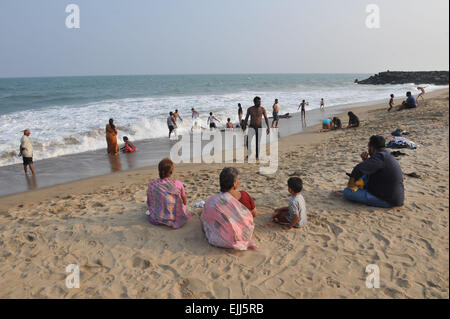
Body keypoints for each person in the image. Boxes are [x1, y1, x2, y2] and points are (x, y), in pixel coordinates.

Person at [339, 135, 404, 208]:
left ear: (372, 148)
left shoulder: (380, 157)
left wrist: (350, 185)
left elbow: (358, 168)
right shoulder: (386, 154)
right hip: (395, 197)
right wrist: (366, 161)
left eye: (369, 147)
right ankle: (356, 188)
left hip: (388, 200)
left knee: (347, 192)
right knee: (365, 176)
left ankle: (353, 189)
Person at [200, 167, 256, 250]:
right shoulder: (244, 195)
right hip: (244, 234)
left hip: (221, 236)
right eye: (237, 180)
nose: (238, 182)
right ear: (234, 184)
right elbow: (254, 214)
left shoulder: (212, 201)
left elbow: (206, 218)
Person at [146, 158, 191, 229]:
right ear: (172, 171)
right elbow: (184, 202)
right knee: (183, 207)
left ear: (159, 170)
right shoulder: (178, 183)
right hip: (173, 216)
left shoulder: (152, 184)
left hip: (156, 217)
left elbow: (149, 202)